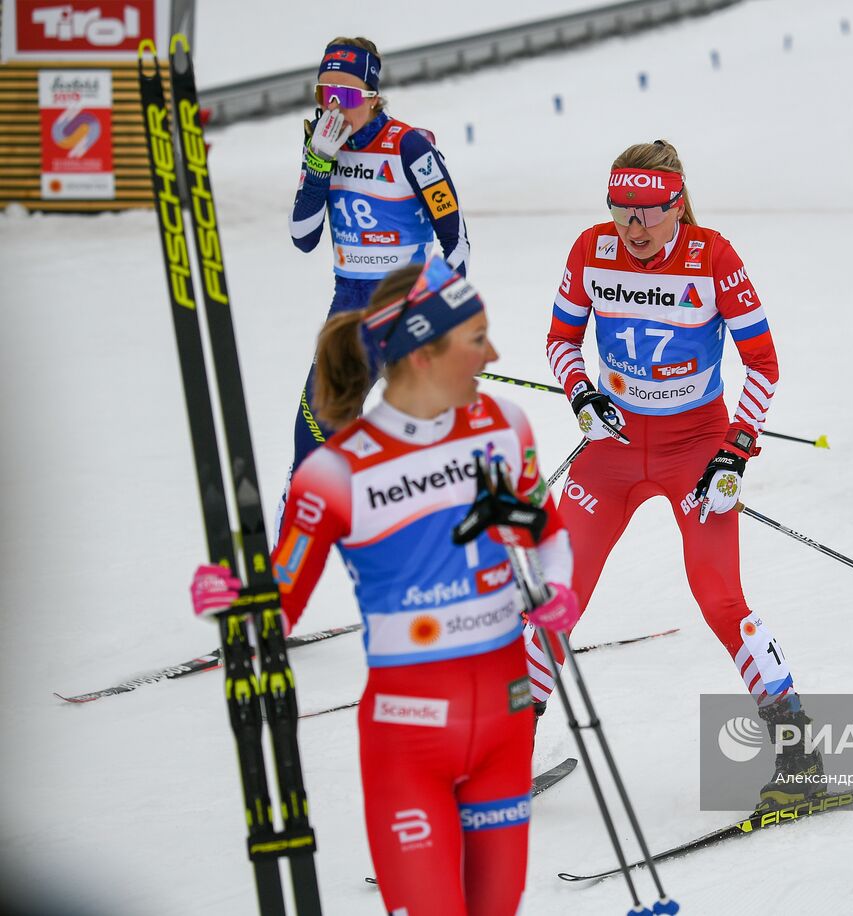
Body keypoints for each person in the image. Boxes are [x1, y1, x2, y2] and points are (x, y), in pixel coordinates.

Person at [190, 259, 578, 916]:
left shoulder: (506, 425)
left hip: (505, 724)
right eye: (477, 338)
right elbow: (278, 601)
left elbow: (547, 528)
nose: (497, 353)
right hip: (410, 735)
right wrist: (239, 600)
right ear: (424, 351)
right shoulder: (337, 471)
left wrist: (556, 587)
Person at [540, 138, 821, 811]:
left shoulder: (712, 256)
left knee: (720, 598)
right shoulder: (590, 250)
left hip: (694, 446)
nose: (631, 228)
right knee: (552, 596)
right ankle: (505, 749)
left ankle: (798, 751)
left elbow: (764, 365)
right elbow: (559, 340)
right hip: (612, 450)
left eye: (646, 212)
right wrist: (582, 391)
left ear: (675, 205)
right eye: (619, 211)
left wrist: (735, 450)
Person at [285, 36, 471, 486]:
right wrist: (318, 166)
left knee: (426, 453)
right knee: (312, 444)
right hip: (348, 305)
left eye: (344, 98)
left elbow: (457, 240)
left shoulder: (409, 147)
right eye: (322, 96)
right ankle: (286, 549)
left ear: (371, 98)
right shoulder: (321, 147)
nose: (332, 109)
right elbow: (303, 237)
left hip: (404, 302)